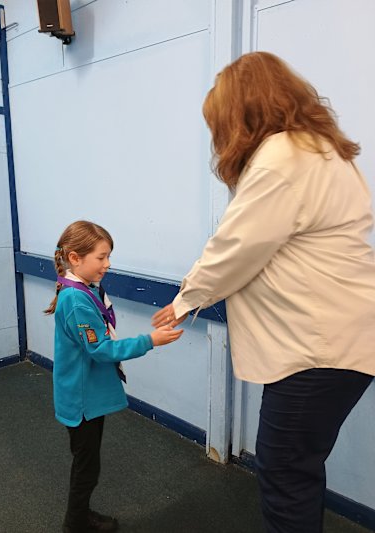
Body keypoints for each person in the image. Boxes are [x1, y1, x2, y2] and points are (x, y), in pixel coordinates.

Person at [152, 51, 375, 533]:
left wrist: (183, 299)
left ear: (243, 113)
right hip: (339, 343)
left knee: (283, 473)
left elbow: (235, 246)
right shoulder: (323, 152)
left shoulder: (282, 158)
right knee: (297, 469)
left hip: (316, 350)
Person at [45, 220, 183, 533]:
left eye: (109, 256)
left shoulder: (84, 289)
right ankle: (75, 523)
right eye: (101, 257)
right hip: (81, 400)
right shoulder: (77, 299)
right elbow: (102, 351)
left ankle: (80, 515)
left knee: (88, 464)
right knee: (86, 468)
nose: (107, 264)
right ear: (76, 259)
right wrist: (151, 340)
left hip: (88, 395)